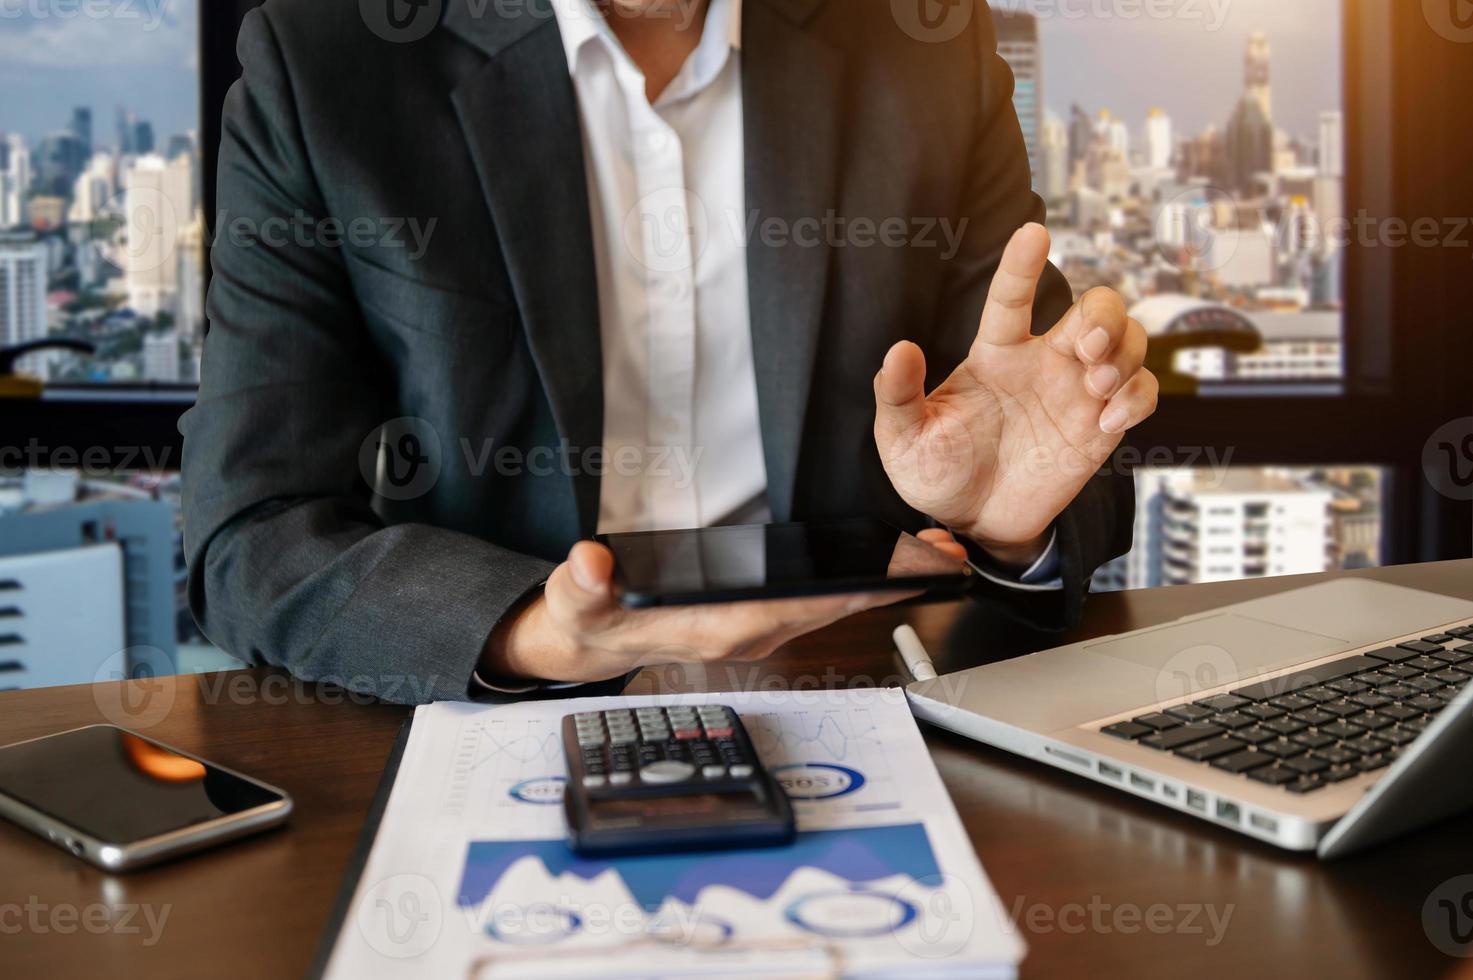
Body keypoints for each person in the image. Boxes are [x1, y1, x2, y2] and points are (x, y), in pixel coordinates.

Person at [180, 0, 1157, 704]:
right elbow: (251, 531)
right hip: (494, 716)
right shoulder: (325, 61)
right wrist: (531, 632)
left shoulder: (924, 39)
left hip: (853, 696)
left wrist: (1006, 527)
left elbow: (1053, 427)